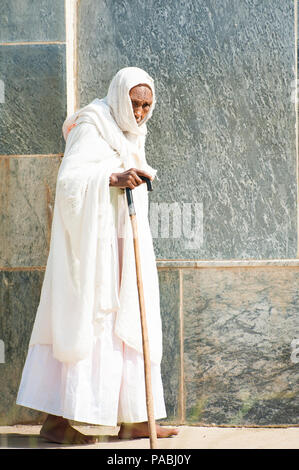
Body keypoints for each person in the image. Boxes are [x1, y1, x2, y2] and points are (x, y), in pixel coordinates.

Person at [16, 67, 179, 445]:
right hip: (91, 250)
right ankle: (57, 422)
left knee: (129, 322)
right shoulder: (92, 124)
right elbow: (69, 180)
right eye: (135, 104)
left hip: (124, 239)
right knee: (86, 320)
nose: (139, 114)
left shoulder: (131, 131)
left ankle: (135, 418)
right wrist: (111, 177)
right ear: (120, 96)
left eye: (146, 106)